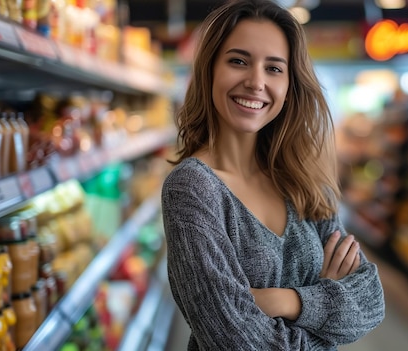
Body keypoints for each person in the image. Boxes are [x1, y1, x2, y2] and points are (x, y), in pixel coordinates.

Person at [161, 0, 385, 349]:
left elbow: (370, 301)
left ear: (289, 85)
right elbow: (236, 343)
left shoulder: (300, 178)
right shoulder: (193, 188)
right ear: (210, 71)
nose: (256, 82)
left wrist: (286, 300)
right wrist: (328, 310)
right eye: (238, 61)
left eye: (274, 68)